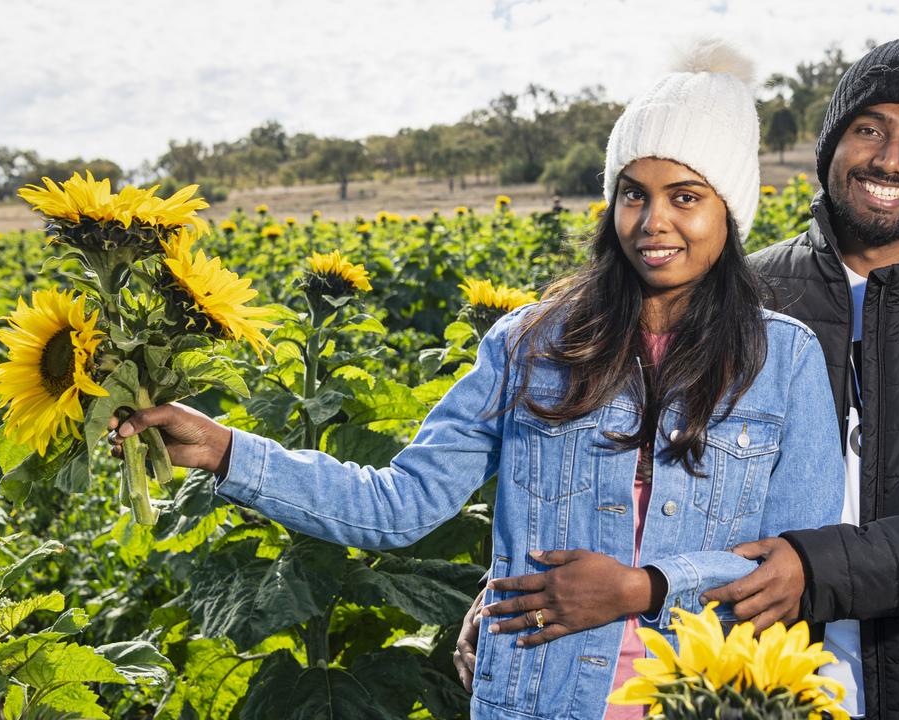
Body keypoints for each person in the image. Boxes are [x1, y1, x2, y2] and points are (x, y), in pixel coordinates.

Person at [110, 40, 845, 720]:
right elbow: (399, 505)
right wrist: (223, 450)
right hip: (538, 697)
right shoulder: (531, 345)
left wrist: (641, 587)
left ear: (729, 211)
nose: (653, 220)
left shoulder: (783, 361)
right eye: (633, 193)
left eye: (686, 196)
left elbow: (791, 569)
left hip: (705, 699)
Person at [460, 38, 899, 719]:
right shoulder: (737, 298)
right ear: (829, 148)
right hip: (745, 680)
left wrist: (819, 569)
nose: (888, 159)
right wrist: (527, 579)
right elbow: (616, 465)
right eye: (867, 129)